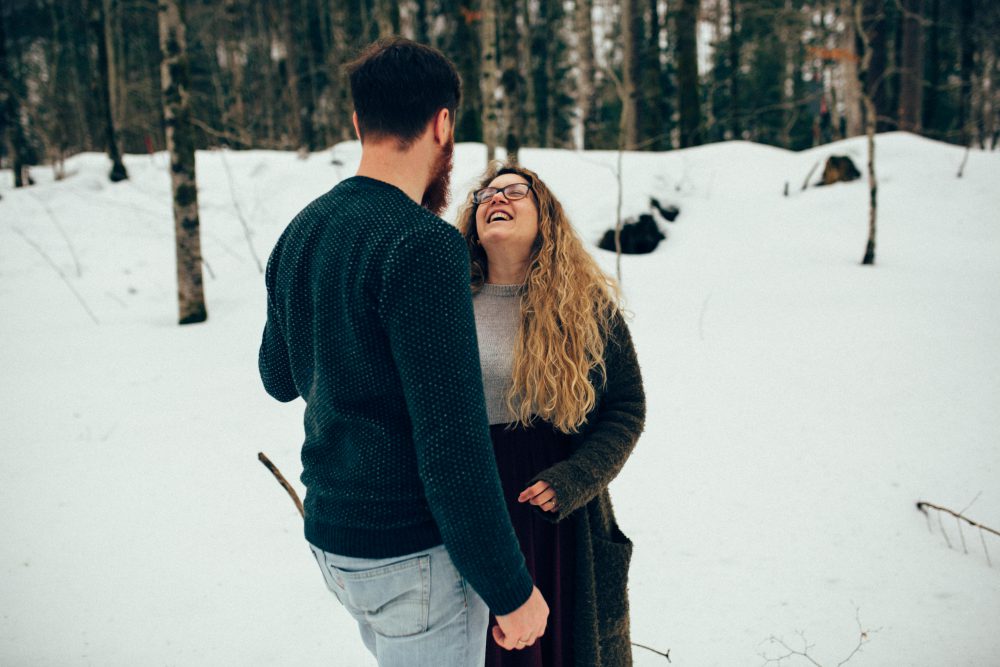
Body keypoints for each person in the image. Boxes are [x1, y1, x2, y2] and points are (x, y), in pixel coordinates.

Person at [257, 39, 548, 666]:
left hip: (335, 544)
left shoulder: (302, 229)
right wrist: (511, 588)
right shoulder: (424, 246)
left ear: (357, 122)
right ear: (443, 125)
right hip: (409, 557)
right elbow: (452, 445)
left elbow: (278, 377)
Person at [455, 163, 646, 667]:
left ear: (546, 216)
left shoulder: (584, 305)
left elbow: (626, 408)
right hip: (473, 504)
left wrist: (576, 478)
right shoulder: (447, 302)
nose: (496, 197)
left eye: (516, 191)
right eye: (485, 194)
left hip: (561, 515)